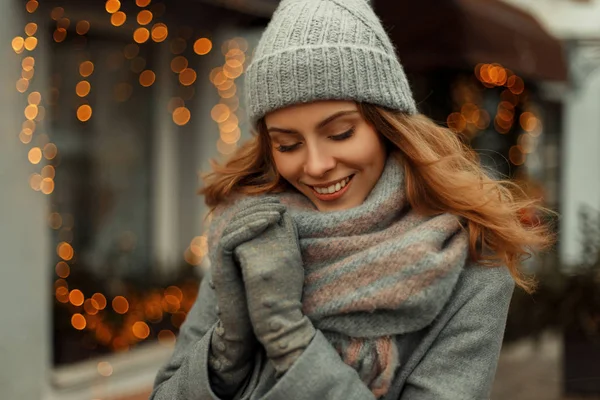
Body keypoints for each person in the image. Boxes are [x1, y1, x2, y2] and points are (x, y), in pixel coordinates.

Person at [150, 0, 553, 399]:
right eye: (288, 144)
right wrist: (227, 350)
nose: (317, 164)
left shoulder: (468, 264)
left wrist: (290, 339)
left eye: (340, 133)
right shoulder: (251, 233)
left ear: (386, 127)